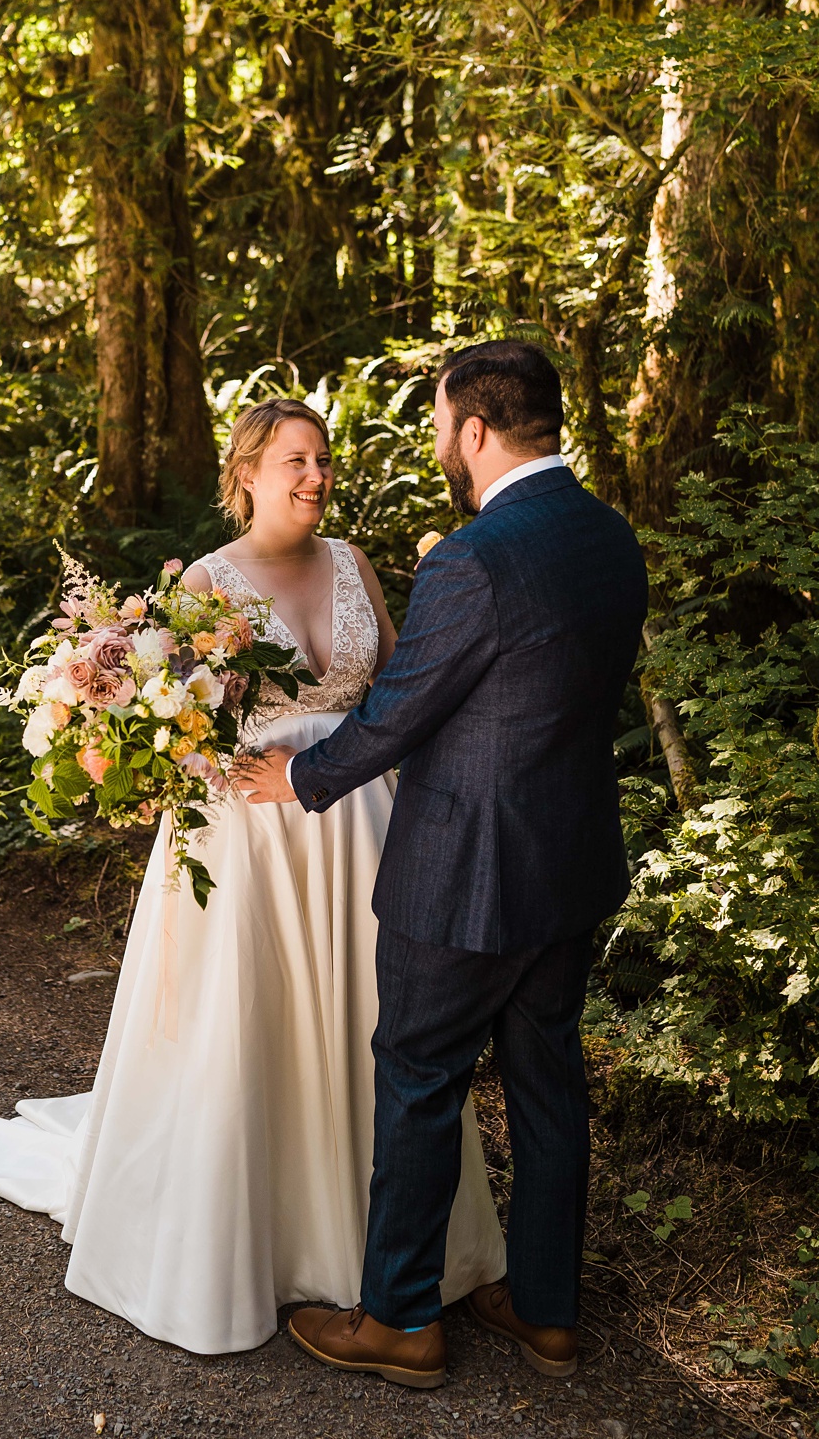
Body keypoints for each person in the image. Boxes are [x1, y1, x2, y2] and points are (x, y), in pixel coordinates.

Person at [0, 396, 505, 1359]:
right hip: (249, 841)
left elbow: (404, 697)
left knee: (378, 1024)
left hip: (362, 824)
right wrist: (140, 754)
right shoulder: (205, 581)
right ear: (247, 474)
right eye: (294, 460)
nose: (315, 475)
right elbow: (170, 720)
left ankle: (391, 1249)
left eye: (322, 458)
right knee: (254, 1022)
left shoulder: (355, 564)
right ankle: (256, 1239)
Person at [240, 344, 648, 1387]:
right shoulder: (610, 538)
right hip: (568, 869)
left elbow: (402, 707)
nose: (436, 442)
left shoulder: (471, 557)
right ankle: (547, 1312)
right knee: (547, 1086)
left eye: (436, 423)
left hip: (462, 875)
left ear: (472, 430)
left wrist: (303, 781)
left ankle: (399, 1320)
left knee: (420, 1080)